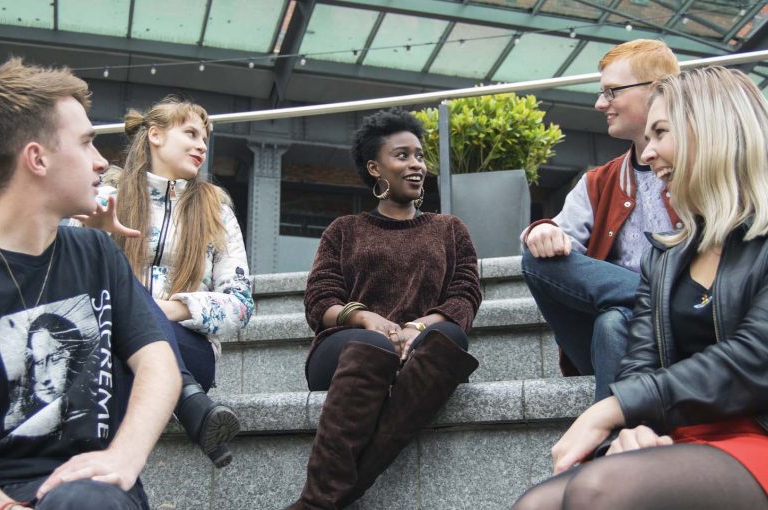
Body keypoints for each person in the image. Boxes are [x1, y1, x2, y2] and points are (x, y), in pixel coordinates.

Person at [512, 66, 768, 510]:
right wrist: (636, 425)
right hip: (683, 435)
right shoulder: (665, 257)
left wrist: (612, 410)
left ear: (710, 133)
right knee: (537, 504)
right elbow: (640, 359)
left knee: (599, 489)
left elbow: (754, 357)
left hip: (757, 433)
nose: (647, 154)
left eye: (660, 134)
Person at [0, 58, 181, 509]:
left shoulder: (97, 253)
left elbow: (159, 364)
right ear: (37, 158)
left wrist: (124, 457)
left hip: (86, 492)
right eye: (87, 142)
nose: (101, 161)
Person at [288, 108, 482, 509]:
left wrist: (416, 326)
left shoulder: (449, 229)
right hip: (345, 351)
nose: (416, 165)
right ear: (376, 167)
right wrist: (367, 320)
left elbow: (464, 295)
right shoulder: (344, 230)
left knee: (449, 337)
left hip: (423, 350)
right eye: (402, 156)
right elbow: (319, 299)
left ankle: (321, 500)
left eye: (420, 155)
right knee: (373, 347)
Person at [81, 98, 254, 468]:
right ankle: (190, 404)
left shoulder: (217, 210)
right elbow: (64, 275)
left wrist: (153, 310)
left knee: (124, 323)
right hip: (108, 345)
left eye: (205, 138)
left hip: (188, 348)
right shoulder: (103, 199)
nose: (202, 146)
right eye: (190, 133)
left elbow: (240, 303)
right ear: (155, 135)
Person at [521, 39, 681, 400]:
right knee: (535, 258)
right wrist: (545, 231)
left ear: (657, 91)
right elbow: (562, 247)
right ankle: (655, 302)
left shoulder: (704, 167)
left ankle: (607, 449)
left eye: (611, 91)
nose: (599, 103)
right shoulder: (599, 181)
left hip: (682, 334)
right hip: (632, 331)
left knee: (613, 322)